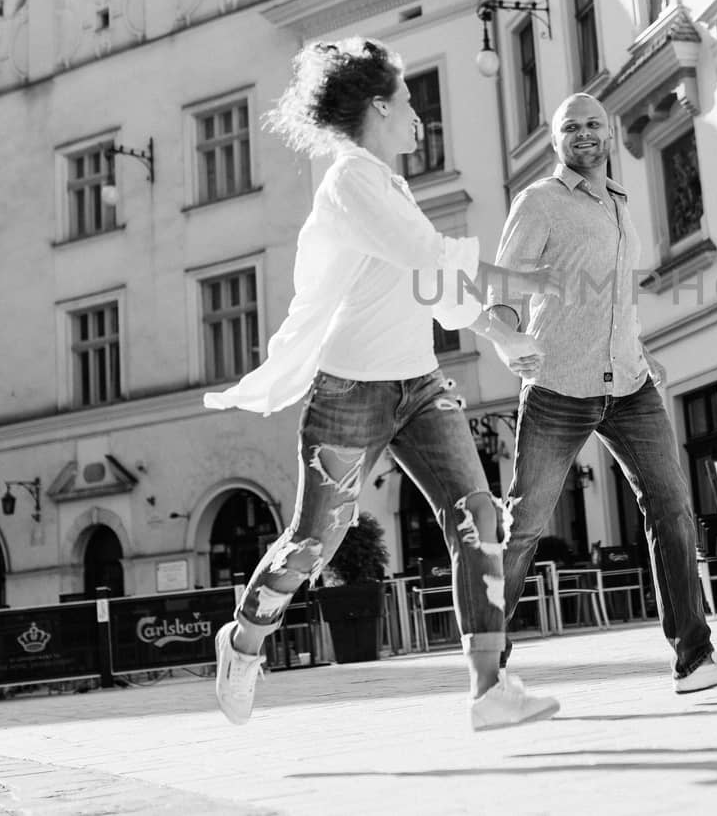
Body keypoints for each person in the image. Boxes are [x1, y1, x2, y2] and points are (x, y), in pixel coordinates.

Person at [203, 38, 562, 731]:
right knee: (313, 543)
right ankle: (244, 641)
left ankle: (489, 688)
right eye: (407, 103)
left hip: (419, 385)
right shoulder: (349, 181)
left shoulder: (392, 185)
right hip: (349, 393)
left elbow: (433, 283)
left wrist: (505, 334)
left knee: (478, 515)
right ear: (377, 108)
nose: (416, 117)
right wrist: (521, 286)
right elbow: (430, 257)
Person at [491, 92, 717, 694]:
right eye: (571, 127)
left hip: (629, 383)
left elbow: (615, 296)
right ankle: (489, 664)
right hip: (558, 383)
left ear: (609, 134)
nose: (584, 134)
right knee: (526, 525)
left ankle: (694, 659)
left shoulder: (619, 201)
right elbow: (501, 289)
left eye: (593, 124)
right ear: (555, 138)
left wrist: (641, 353)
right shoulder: (537, 202)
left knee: (671, 510)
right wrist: (509, 343)